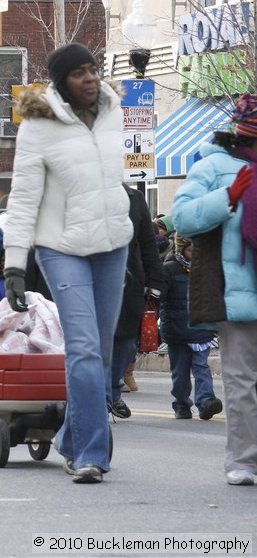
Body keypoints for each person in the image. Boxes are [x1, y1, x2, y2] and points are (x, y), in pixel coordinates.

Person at [3, 42, 132, 484]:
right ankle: (92, 454)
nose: (90, 78)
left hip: (113, 244)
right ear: (61, 83)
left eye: (92, 69)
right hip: (60, 247)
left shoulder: (116, 110)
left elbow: (123, 174)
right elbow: (22, 202)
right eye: (78, 73)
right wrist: (15, 266)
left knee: (102, 350)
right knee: (83, 349)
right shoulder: (38, 128)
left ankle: (72, 440)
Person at [171, 91, 257, 486]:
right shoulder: (215, 165)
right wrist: (228, 196)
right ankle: (244, 461)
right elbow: (182, 218)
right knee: (242, 381)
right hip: (238, 290)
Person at [108, 184, 166, 419]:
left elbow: (148, 244)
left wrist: (156, 280)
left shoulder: (135, 198)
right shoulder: (83, 190)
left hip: (128, 280)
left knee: (127, 342)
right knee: (98, 341)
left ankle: (111, 389)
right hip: (92, 279)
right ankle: (102, 395)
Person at [158, 233, 222, 421]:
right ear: (181, 249)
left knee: (201, 366)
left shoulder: (205, 269)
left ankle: (206, 402)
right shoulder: (169, 270)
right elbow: (159, 297)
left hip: (201, 330)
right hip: (177, 332)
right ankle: (181, 404)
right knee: (180, 372)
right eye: (189, 248)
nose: (193, 252)